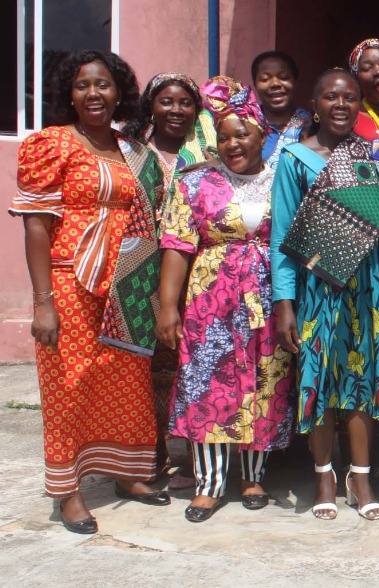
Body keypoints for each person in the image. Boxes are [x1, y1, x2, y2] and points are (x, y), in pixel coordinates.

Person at [12, 50, 170, 535]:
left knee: (127, 380)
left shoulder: (134, 151)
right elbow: (36, 226)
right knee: (69, 384)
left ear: (119, 92)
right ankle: (69, 491)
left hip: (128, 282)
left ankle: (126, 473)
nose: (93, 94)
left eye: (103, 84)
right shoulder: (52, 144)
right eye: (83, 85)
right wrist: (43, 302)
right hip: (69, 283)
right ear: (70, 93)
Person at [155, 76, 293, 523]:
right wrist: (169, 307)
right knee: (209, 383)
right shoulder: (196, 182)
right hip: (211, 301)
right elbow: (177, 245)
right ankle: (210, 484)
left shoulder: (282, 180)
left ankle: (253, 477)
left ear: (262, 135)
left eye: (242, 134)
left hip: (268, 298)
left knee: (264, 380)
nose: (233, 144)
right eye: (225, 136)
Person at [271, 68, 379, 521]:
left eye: (349, 97)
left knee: (363, 381)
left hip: (369, 288)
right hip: (318, 289)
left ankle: (360, 476)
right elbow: (282, 236)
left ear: (359, 105)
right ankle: (324, 474)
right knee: (319, 382)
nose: (340, 105)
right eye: (330, 97)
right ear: (315, 104)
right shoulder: (294, 159)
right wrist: (284, 303)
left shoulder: (376, 156)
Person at [124, 71, 209, 488]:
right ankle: (152, 451)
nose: (176, 110)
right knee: (147, 366)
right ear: (151, 106)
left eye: (185, 102)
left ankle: (196, 455)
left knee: (191, 364)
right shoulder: (130, 152)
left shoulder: (208, 154)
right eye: (167, 101)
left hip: (197, 274)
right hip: (139, 271)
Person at [251, 50, 310, 168]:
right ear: (255, 85)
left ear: (295, 81)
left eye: (284, 77)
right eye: (265, 79)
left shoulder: (311, 124)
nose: (275, 84)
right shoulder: (246, 123)